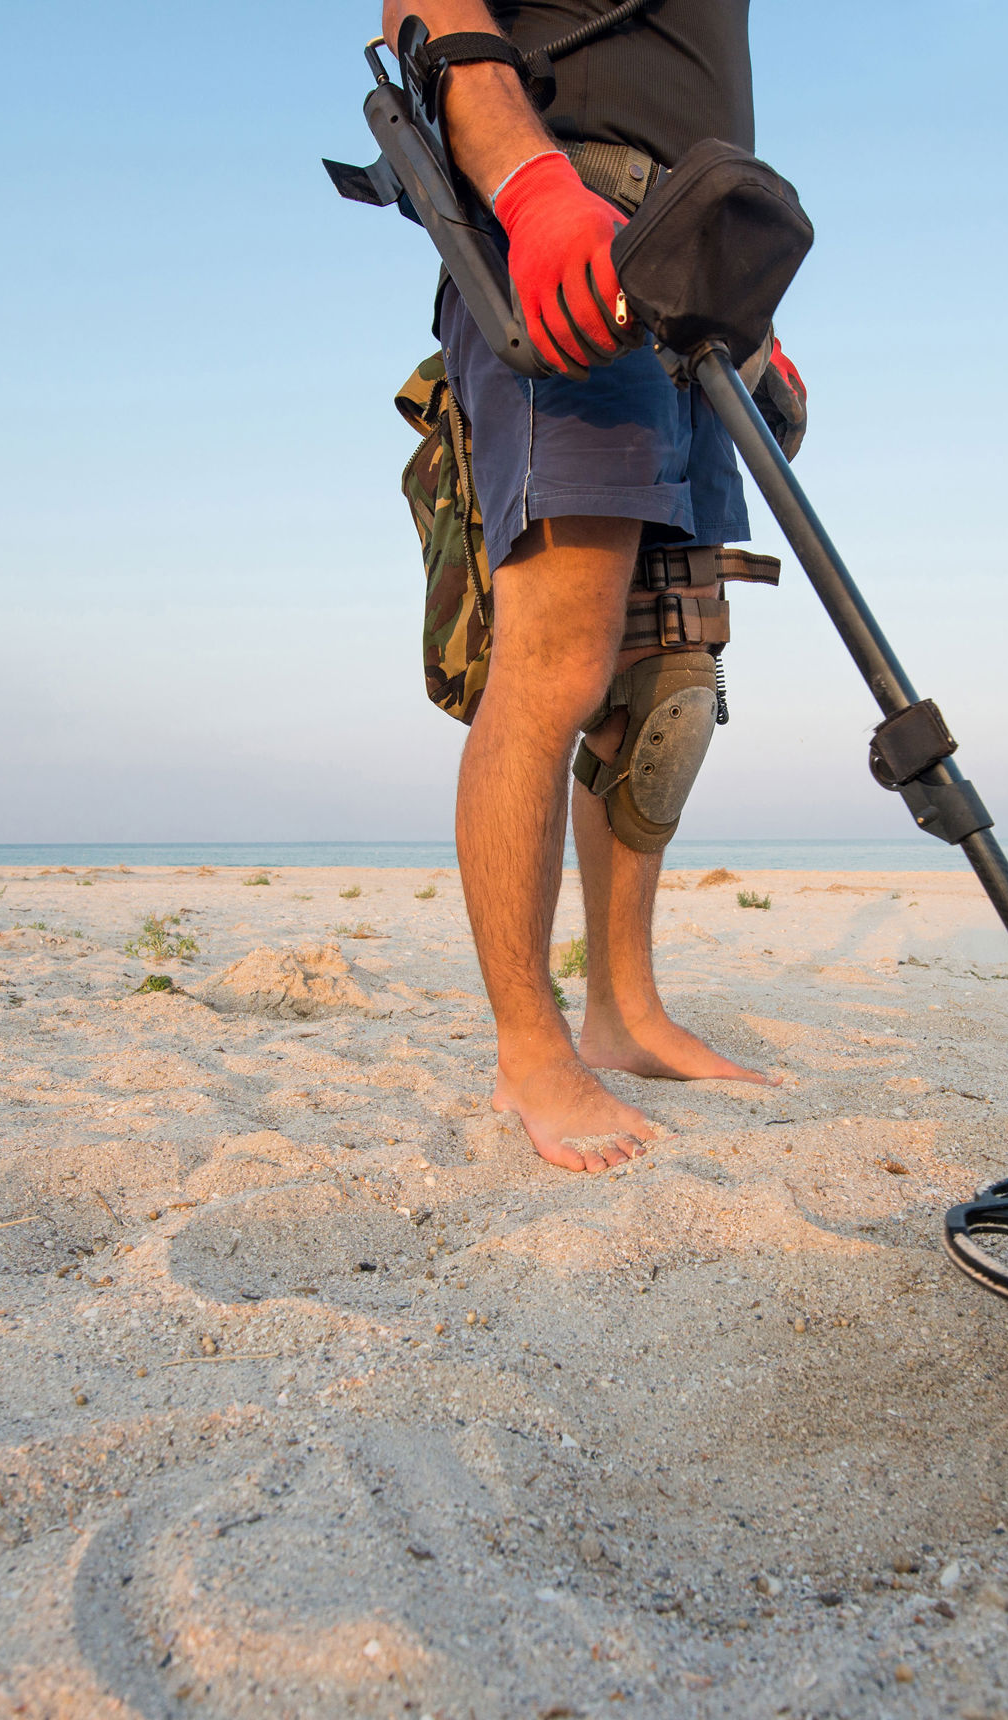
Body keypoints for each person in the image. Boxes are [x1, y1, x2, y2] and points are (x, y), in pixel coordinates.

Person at [380, 0, 796, 1172]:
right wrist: (531, 189)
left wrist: (752, 322)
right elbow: (428, 8)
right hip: (572, 226)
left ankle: (625, 1012)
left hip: (694, 258)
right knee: (558, 657)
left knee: (670, 679)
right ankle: (529, 1047)